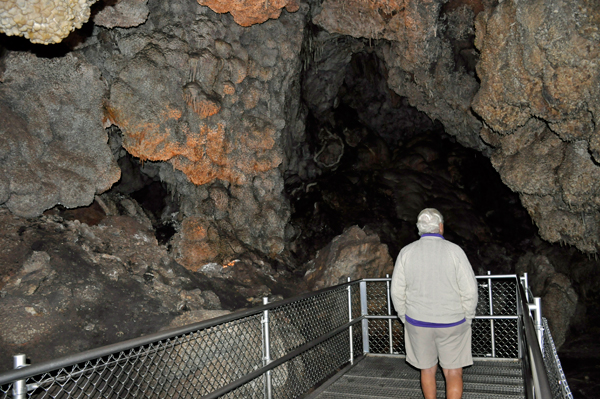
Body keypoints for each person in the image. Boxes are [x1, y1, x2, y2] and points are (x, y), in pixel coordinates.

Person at [391, 208, 478, 399]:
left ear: (419, 228)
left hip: (418, 322)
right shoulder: (455, 251)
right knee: (453, 372)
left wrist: (405, 317)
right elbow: (470, 290)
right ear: (440, 227)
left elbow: (397, 291)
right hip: (453, 322)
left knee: (427, 370)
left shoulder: (406, 252)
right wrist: (467, 317)